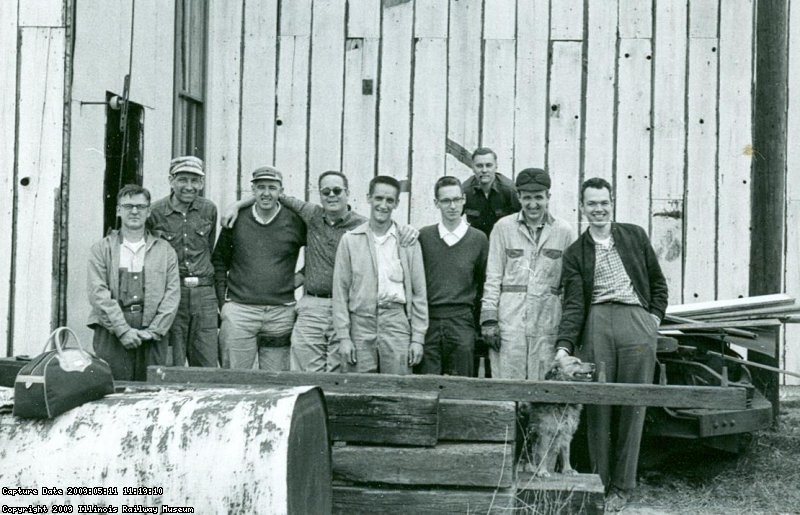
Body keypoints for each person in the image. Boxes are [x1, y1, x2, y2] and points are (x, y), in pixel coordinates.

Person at [219, 171, 418, 373]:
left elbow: (385, 226)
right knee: (304, 370)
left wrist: (407, 230)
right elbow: (273, 194)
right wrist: (237, 205)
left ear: (347, 193)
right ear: (320, 195)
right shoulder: (312, 215)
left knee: (341, 369)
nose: (332, 195)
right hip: (312, 307)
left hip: (346, 309)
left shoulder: (360, 226)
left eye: (337, 190)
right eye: (326, 191)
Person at [555, 177, 668, 512]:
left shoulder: (633, 235)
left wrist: (653, 321)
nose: (598, 209)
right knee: (599, 404)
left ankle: (623, 484)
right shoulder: (576, 252)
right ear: (582, 207)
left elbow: (658, 284)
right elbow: (574, 304)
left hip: (636, 323)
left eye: (604, 202)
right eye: (592, 204)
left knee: (634, 403)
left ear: (612, 202)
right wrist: (565, 344)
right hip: (597, 324)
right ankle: (600, 482)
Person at [479, 168, 574, 380]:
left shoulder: (564, 231)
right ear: (519, 197)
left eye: (539, 197)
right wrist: (489, 321)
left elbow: (569, 286)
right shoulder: (503, 228)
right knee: (507, 389)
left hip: (547, 324)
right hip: (509, 325)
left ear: (548, 197)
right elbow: (493, 278)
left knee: (543, 389)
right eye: (527, 197)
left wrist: (567, 329)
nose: (533, 204)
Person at [212, 166, 306, 370]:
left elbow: (318, 252)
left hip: (280, 313)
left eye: (272, 187)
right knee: (235, 377)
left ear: (281, 191)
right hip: (240, 310)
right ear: (252, 190)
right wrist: (223, 303)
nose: (266, 193)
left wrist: (300, 277)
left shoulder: (295, 221)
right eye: (260, 187)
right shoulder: (236, 219)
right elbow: (219, 261)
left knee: (276, 380)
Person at [332, 175, 427, 374]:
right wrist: (344, 337)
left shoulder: (408, 242)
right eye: (378, 198)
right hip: (360, 323)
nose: (383, 205)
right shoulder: (350, 240)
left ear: (397, 203)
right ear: (369, 198)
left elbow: (419, 293)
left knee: (398, 387)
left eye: (389, 200)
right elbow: (340, 292)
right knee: (359, 389)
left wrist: (418, 338)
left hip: (396, 323)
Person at [87, 184, 180, 380]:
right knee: (112, 389)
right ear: (119, 210)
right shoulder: (102, 249)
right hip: (112, 331)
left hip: (152, 334)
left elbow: (172, 295)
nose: (135, 211)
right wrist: (122, 331)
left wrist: (154, 331)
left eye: (141, 206)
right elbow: (98, 293)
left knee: (152, 391)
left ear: (148, 212)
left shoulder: (165, 250)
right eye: (128, 206)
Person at [147, 156, 218, 367]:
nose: (189, 186)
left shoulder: (209, 210)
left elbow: (209, 247)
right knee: (173, 363)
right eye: (183, 180)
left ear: (202, 183)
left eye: (195, 181)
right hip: (172, 292)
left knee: (206, 362)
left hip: (205, 294)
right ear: (171, 180)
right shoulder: (155, 212)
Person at [416, 176, 488, 376]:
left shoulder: (478, 239)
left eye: (457, 199)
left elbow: (483, 285)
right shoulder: (424, 237)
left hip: (461, 321)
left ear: (464, 199)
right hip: (429, 321)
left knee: (461, 386)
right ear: (436, 203)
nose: (452, 206)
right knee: (427, 386)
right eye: (446, 201)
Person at [463, 147, 521, 377]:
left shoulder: (509, 191)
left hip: (502, 256)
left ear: (496, 167)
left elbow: (520, 222)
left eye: (488, 165)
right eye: (479, 166)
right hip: (477, 256)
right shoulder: (465, 190)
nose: (484, 170)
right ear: (473, 167)